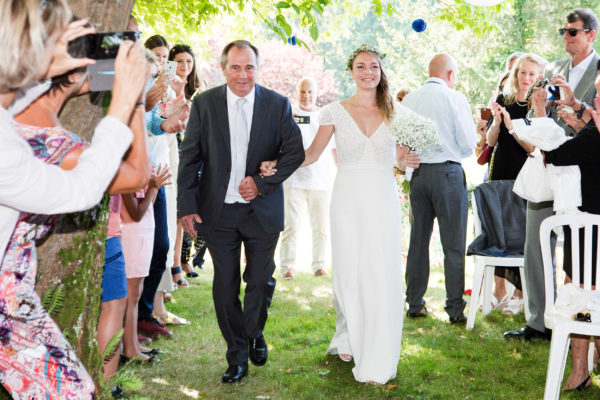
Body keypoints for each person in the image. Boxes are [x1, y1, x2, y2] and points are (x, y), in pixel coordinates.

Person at [0, 1, 148, 397]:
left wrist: (46, 69)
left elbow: (9, 101)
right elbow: (83, 191)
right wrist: (126, 100)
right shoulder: (8, 150)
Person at [263, 44, 420, 384]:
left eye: (374, 67)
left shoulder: (395, 112)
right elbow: (311, 154)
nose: (368, 72)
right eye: (361, 66)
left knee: (380, 268)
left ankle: (377, 341)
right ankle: (348, 333)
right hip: (347, 197)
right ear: (351, 72)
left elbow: (398, 159)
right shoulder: (334, 111)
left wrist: (406, 162)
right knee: (350, 268)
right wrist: (277, 165)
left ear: (381, 72)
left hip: (381, 197)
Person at [178, 40, 305, 384]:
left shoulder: (277, 104)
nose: (242, 74)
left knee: (261, 280)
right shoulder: (204, 104)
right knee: (225, 284)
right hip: (218, 212)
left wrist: (263, 182)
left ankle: (254, 331)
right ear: (223, 69)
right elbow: (190, 158)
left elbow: (295, 151)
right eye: (235, 67)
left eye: (249, 67)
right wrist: (186, 207)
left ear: (257, 69)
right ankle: (236, 355)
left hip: (262, 210)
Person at [505, 8, 599, 342]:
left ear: (590, 34)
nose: (565, 37)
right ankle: (539, 321)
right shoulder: (553, 69)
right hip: (547, 166)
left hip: (585, 172)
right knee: (537, 242)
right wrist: (539, 107)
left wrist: (576, 110)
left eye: (572, 32)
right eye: (562, 31)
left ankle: (584, 325)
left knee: (583, 254)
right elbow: (534, 116)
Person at [402, 53, 477, 325]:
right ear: (450, 74)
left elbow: (404, 139)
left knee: (418, 241)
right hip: (447, 172)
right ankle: (455, 309)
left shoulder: (410, 99)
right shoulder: (454, 98)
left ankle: (414, 303)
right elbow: (469, 144)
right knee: (453, 244)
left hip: (419, 174)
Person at [485, 53, 547, 314]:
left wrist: (512, 128)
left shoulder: (541, 106)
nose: (527, 79)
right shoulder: (504, 100)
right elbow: (489, 141)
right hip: (501, 170)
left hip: (528, 173)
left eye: (533, 74)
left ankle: (519, 296)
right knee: (500, 232)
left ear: (540, 77)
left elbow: (534, 147)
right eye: (523, 73)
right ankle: (498, 291)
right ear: (516, 74)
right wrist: (498, 123)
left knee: (522, 234)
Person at [279, 77, 335, 280]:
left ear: (316, 93)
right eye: (303, 91)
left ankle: (319, 265)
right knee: (291, 226)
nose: (306, 96)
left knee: (320, 228)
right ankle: (286, 268)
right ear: (297, 92)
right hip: (294, 181)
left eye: (310, 92)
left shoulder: (325, 117)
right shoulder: (289, 115)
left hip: (321, 181)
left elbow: (334, 150)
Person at [121, 164, 171, 363]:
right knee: (131, 293)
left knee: (137, 291)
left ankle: (133, 342)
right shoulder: (124, 170)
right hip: (132, 232)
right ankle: (128, 347)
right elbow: (135, 212)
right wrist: (153, 188)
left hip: (143, 230)